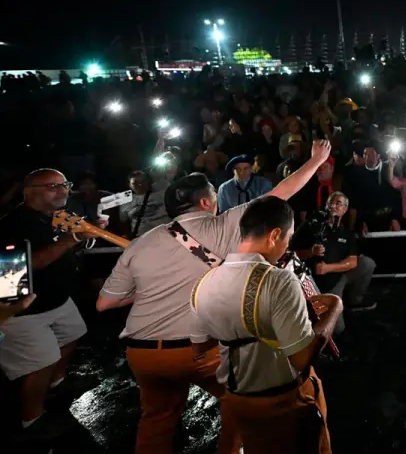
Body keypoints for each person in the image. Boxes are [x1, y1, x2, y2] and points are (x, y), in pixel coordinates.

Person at [95, 141, 333, 454]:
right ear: (207, 202)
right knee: (240, 400)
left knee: (156, 419)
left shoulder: (141, 243)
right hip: (196, 350)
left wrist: (155, 289)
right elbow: (280, 194)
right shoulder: (223, 224)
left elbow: (105, 303)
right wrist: (316, 160)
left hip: (143, 353)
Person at [190, 196, 343, 454]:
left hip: (237, 399)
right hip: (282, 400)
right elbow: (302, 358)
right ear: (274, 235)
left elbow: (199, 347)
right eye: (288, 238)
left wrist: (241, 328)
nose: (286, 246)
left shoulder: (204, 282)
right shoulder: (278, 281)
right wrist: (335, 309)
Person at [0, 169, 88, 438]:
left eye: (65, 184)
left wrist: (83, 238)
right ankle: (32, 420)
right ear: (29, 192)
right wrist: (71, 240)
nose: (63, 190)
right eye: (53, 186)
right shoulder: (10, 226)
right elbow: (19, 270)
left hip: (58, 300)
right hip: (23, 310)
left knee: (73, 334)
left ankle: (57, 383)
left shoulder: (55, 216)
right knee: (40, 363)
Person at [294, 192, 377, 333]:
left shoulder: (346, 233)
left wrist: (327, 268)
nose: (333, 206)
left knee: (367, 263)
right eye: (330, 203)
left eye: (338, 203)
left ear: (345, 209)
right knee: (336, 328)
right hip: (311, 281)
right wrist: (311, 252)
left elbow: (352, 261)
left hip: (335, 280)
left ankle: (354, 300)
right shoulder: (310, 227)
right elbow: (292, 253)